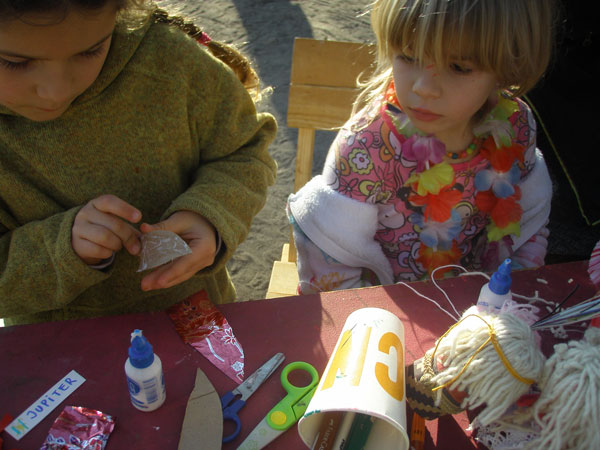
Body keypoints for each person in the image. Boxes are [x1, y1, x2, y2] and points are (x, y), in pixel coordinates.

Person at [0, 0, 277, 325]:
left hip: (196, 319)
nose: (55, 91)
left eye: (90, 51)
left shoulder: (172, 60)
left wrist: (211, 213)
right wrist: (59, 252)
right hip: (56, 352)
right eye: (14, 62)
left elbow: (244, 150)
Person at [287, 0, 556, 294]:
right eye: (408, 56)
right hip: (385, 313)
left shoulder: (515, 127)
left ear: (507, 67)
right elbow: (331, 271)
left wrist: (508, 296)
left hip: (481, 300)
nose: (423, 88)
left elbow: (527, 225)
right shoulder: (366, 150)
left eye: (458, 67)